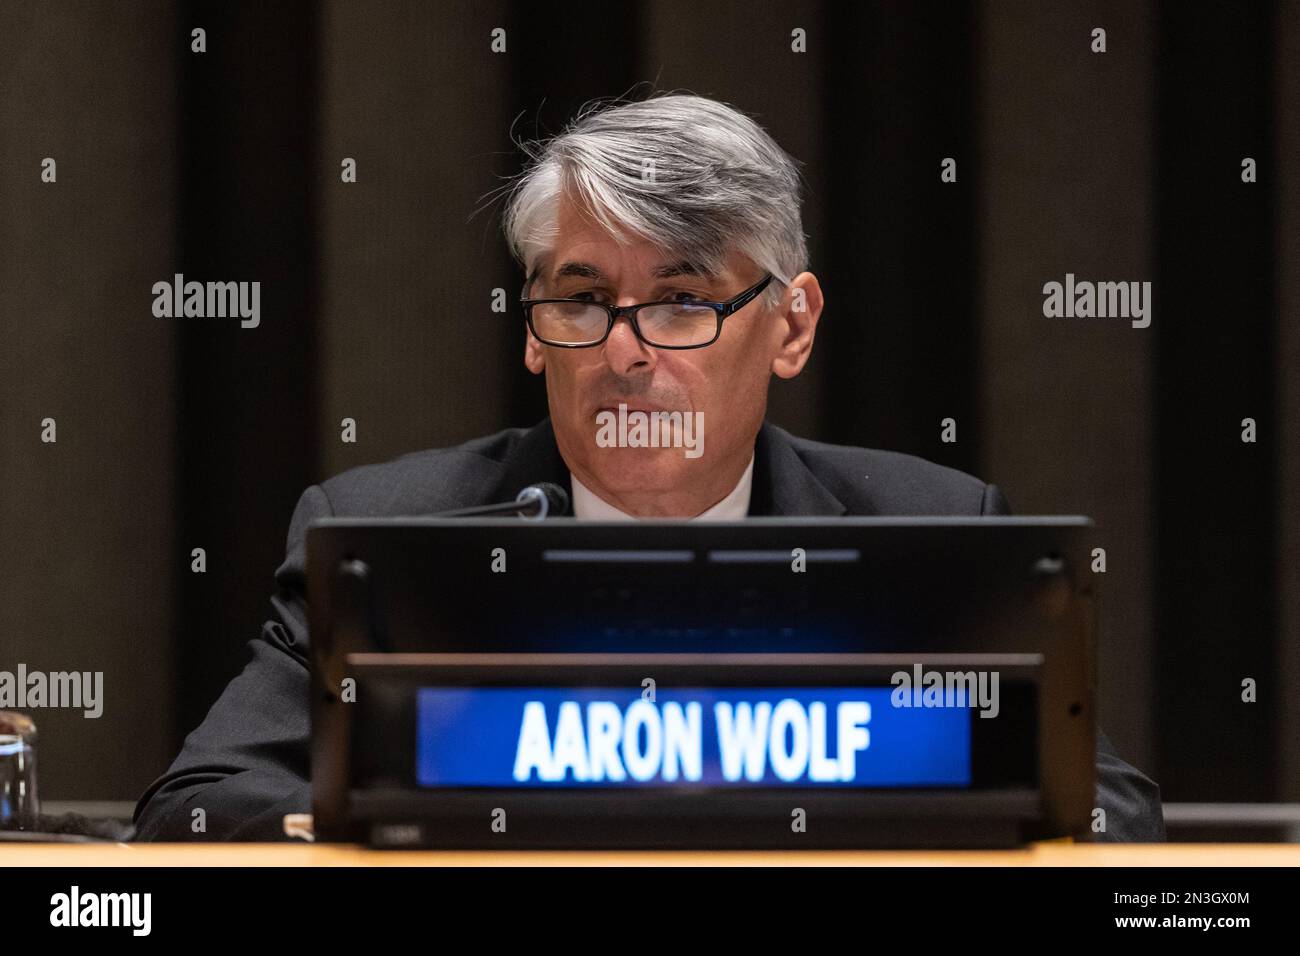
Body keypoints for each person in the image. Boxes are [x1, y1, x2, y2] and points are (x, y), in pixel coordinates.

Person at [133, 93, 1164, 842]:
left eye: (680, 300)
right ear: (535, 332)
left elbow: (1107, 813)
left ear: (791, 324)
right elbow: (198, 804)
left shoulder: (937, 530)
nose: (626, 351)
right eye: (581, 299)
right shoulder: (386, 532)